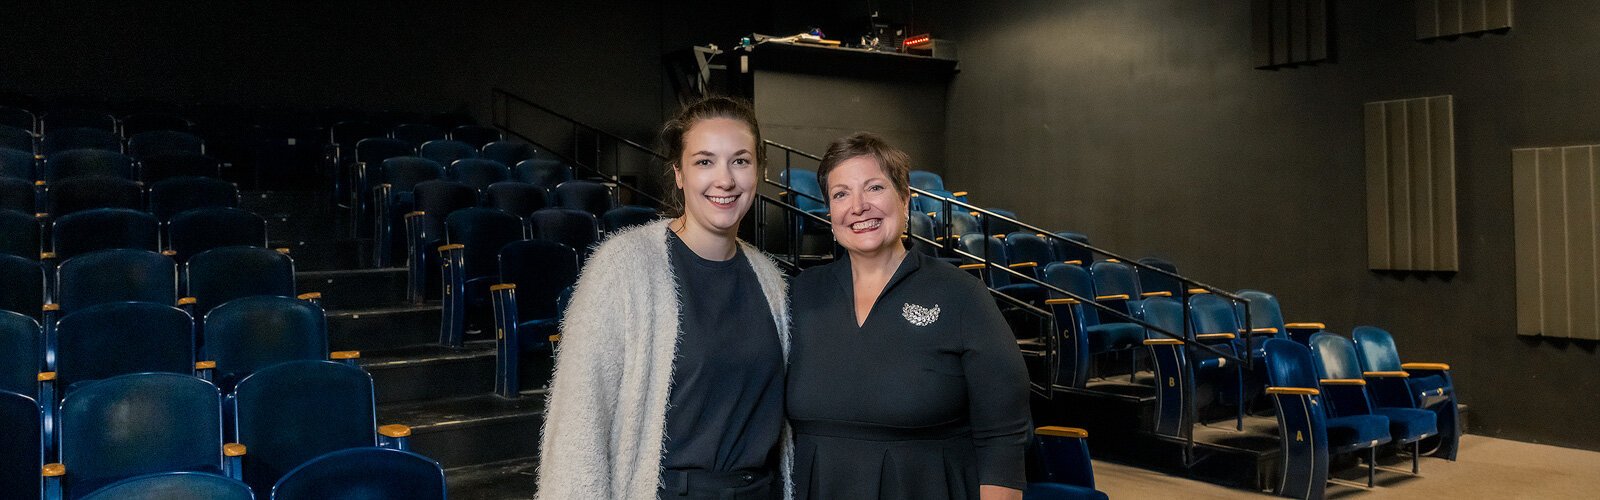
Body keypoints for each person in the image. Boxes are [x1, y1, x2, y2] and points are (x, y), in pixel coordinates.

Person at [535, 96, 792, 500]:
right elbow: (578, 422)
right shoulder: (624, 266)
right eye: (704, 161)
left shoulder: (769, 279)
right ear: (679, 174)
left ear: (758, 171)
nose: (724, 179)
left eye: (740, 161)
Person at [786, 132, 1030, 500]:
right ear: (830, 213)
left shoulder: (962, 295)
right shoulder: (799, 295)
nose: (858, 206)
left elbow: (1002, 439)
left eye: (874, 188)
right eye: (840, 194)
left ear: (904, 199)